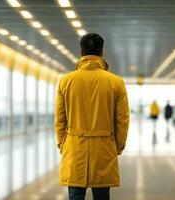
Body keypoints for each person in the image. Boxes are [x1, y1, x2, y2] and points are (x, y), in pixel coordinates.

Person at [54, 33, 130, 200]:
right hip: (104, 148)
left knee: (75, 196)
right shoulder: (116, 82)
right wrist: (118, 146)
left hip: (74, 147)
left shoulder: (65, 81)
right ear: (101, 52)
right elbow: (122, 120)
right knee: (102, 196)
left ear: (81, 52)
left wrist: (62, 143)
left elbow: (60, 119)